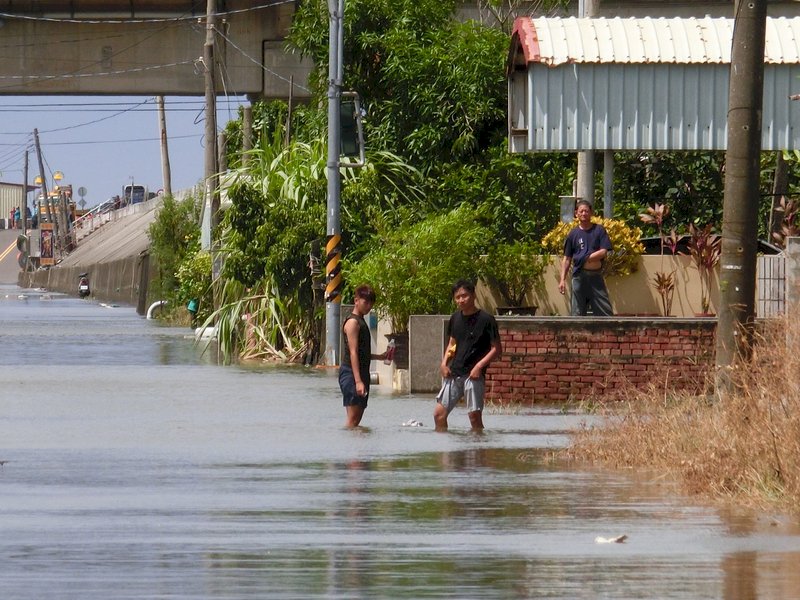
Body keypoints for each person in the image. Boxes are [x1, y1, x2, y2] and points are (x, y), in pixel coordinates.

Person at [434, 280, 502, 432]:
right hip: (454, 373)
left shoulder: (486, 320)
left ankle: (478, 450)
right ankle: (445, 450)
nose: (461, 300)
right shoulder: (455, 318)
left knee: (474, 417)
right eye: (457, 297)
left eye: (464, 296)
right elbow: (452, 344)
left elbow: (496, 349)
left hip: (473, 376)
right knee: (439, 414)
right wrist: (444, 363)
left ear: (473, 296)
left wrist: (479, 366)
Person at [339, 284, 387, 428]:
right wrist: (358, 381)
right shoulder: (353, 323)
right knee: (353, 421)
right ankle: (352, 448)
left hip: (359, 373)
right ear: (356, 301)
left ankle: (355, 449)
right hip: (352, 374)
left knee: (355, 420)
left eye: (371, 303)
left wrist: (380, 357)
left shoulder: (361, 321)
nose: (369, 306)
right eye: (365, 302)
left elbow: (361, 353)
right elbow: (353, 352)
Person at [558, 200, 614, 316]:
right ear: (576, 213)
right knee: (578, 313)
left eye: (586, 211)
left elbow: (603, 251)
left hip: (595, 277)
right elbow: (567, 258)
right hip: (579, 276)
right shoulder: (573, 234)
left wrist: (587, 258)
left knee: (605, 312)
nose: (584, 213)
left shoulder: (599, 230)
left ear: (591, 213)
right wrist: (562, 279)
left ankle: (607, 333)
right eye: (581, 211)